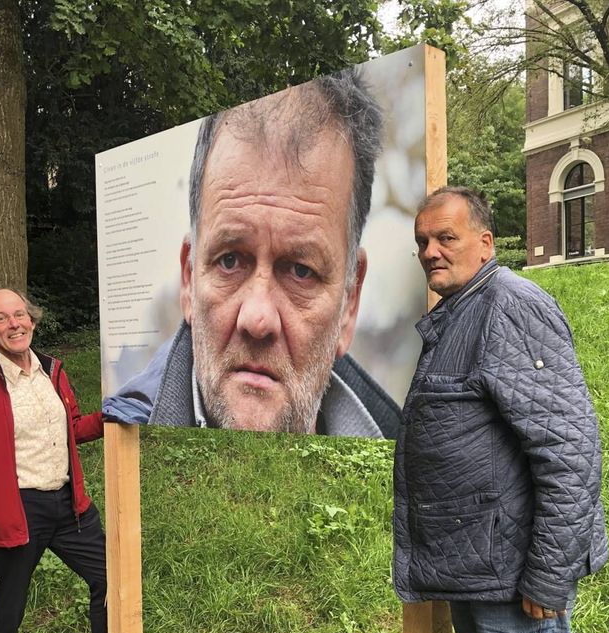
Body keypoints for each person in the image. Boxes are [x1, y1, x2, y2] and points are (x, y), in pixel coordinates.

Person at [102, 68, 401, 439]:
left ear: (350, 301)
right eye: (230, 260)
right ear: (188, 279)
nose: (257, 320)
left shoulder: (410, 458)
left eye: (301, 270)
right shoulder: (121, 436)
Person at [392, 187, 609, 633]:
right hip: (476, 569)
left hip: (512, 585)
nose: (430, 252)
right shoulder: (462, 309)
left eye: (446, 238)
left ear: (485, 243)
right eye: (422, 242)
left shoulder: (510, 307)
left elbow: (569, 451)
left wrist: (549, 576)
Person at [0, 289, 107, 633]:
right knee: (5, 614)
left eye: (20, 315)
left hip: (70, 504)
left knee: (114, 579)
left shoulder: (52, 371)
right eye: (2, 318)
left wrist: (108, 418)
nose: (14, 324)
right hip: (18, 512)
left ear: (32, 320)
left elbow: (71, 429)